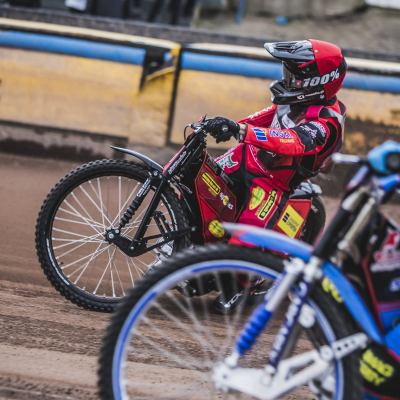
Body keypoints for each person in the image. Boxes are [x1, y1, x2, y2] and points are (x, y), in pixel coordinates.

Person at [206, 39, 347, 313]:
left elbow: (292, 142)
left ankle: (246, 284)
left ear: (317, 82)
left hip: (272, 182)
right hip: (245, 157)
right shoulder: (292, 101)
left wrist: (242, 131)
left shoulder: (326, 122)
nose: (287, 80)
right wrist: (226, 125)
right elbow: (263, 119)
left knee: (241, 243)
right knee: (199, 183)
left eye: (294, 76)